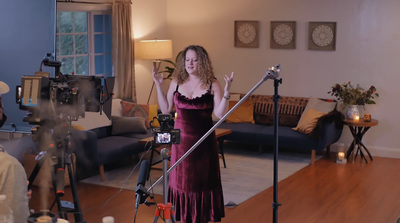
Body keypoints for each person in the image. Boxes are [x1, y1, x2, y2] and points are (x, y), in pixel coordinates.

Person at [152, 45, 234, 223]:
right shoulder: (176, 82)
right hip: (181, 145)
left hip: (203, 145)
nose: (190, 63)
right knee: (181, 184)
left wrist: (226, 93)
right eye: (187, 59)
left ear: (201, 62)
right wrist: (159, 86)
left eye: (194, 60)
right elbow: (166, 109)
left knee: (201, 184)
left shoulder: (213, 83)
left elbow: (220, 114)